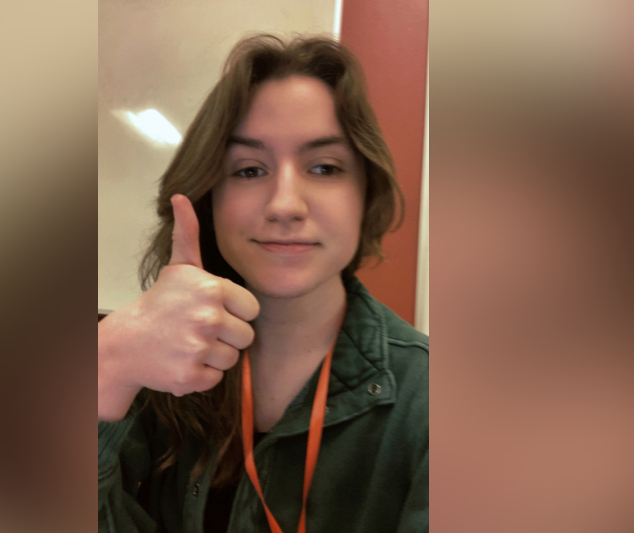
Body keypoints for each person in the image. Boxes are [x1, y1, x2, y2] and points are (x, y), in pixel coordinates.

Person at [98, 34, 428, 533]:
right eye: (250, 169)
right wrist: (105, 366)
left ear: (367, 193)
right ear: (210, 198)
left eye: (324, 167)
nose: (285, 206)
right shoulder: (146, 371)